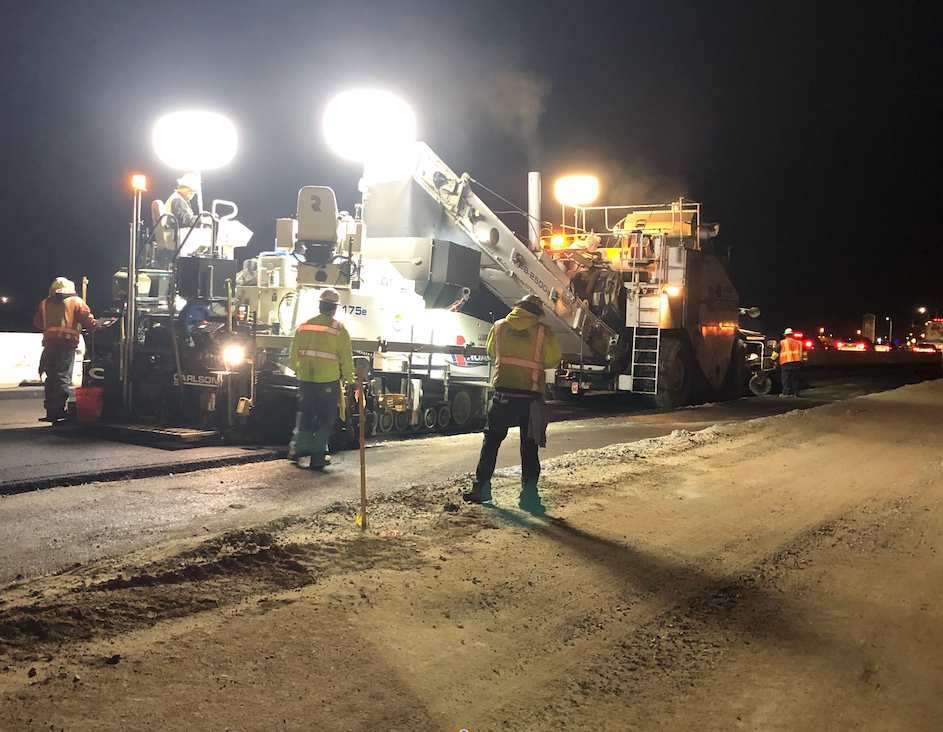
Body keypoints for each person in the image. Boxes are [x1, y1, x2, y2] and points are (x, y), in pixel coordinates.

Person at [463, 294, 562, 514]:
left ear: (517, 307)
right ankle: (528, 499)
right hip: (530, 397)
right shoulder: (544, 332)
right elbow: (553, 360)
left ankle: (480, 489)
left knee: (491, 443)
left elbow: (491, 354)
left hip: (503, 395)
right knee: (529, 448)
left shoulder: (498, 327)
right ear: (538, 312)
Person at [289, 289, 355, 469]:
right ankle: (317, 458)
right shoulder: (338, 329)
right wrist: (351, 380)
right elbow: (346, 358)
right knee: (324, 419)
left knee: (305, 416)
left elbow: (293, 354)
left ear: (320, 306)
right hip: (328, 380)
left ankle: (296, 449)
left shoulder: (304, 326)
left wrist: (299, 371)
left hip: (306, 379)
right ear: (334, 309)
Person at [33, 277, 98, 422]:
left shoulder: (45, 303)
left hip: (49, 344)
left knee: (51, 377)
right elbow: (88, 321)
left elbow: (38, 322)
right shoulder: (76, 301)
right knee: (62, 377)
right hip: (66, 344)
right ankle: (59, 410)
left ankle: (50, 411)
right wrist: (95, 324)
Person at [771, 327, 804, 397]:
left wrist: (772, 359)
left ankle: (786, 393)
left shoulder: (783, 342)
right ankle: (795, 393)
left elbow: (775, 352)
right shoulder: (799, 343)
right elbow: (804, 354)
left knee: (786, 378)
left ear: (785, 335)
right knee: (795, 378)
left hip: (787, 363)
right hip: (797, 363)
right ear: (792, 335)